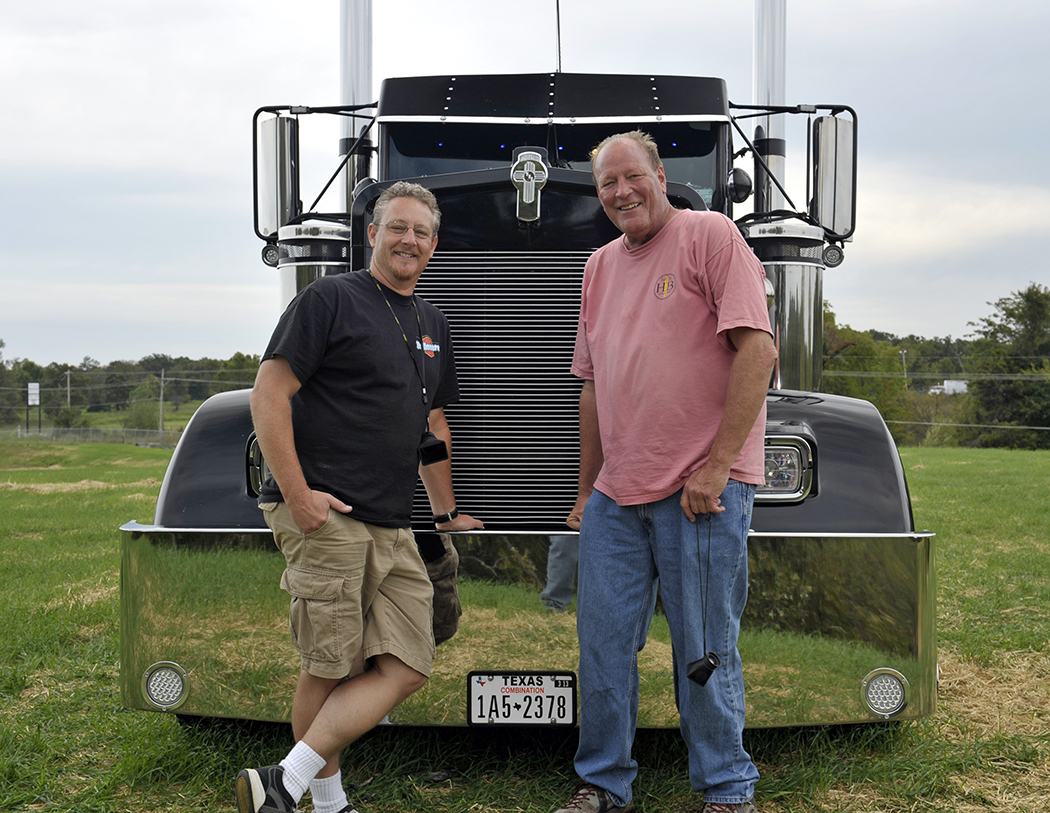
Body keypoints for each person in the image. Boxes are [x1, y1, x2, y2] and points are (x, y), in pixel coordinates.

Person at [237, 181, 483, 813]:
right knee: (330, 664)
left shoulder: (432, 322)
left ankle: (283, 781)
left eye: (421, 232)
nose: (409, 240)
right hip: (329, 514)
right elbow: (269, 393)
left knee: (409, 663)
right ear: (372, 233)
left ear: (434, 245)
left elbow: (431, 426)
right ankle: (327, 802)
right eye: (397, 227)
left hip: (393, 521)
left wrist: (446, 511)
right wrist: (299, 496)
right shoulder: (330, 299)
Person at [554, 132, 777, 813]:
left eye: (632, 176)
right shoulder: (598, 266)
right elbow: (593, 386)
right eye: (607, 184)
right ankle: (604, 783)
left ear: (659, 174)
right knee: (602, 648)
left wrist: (716, 468)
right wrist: (586, 489)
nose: (621, 192)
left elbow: (758, 351)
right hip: (616, 495)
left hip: (699, 491)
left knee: (703, 648)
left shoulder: (710, 235)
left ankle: (727, 789)